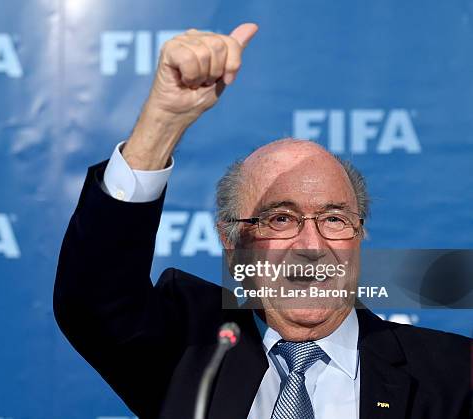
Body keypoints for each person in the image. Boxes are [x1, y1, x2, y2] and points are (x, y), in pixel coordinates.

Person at [53, 23, 471, 419]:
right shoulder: (190, 349)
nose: (312, 245)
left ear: (359, 237)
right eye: (282, 219)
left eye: (334, 218)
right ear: (234, 246)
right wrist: (161, 124)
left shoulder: (454, 375)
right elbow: (94, 299)